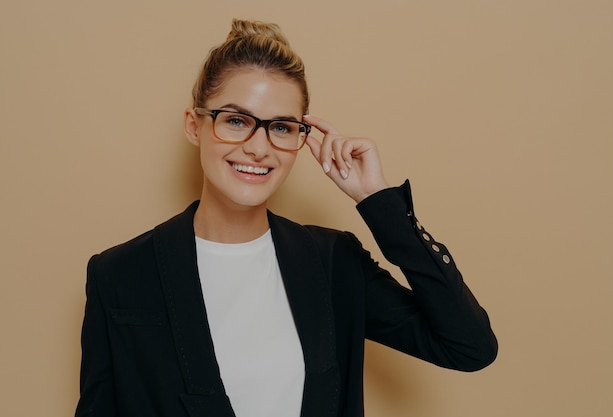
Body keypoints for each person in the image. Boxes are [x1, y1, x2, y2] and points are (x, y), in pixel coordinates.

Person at [75, 18, 497, 417]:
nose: (260, 148)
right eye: (237, 120)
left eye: (280, 127)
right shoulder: (119, 274)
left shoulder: (333, 262)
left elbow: (469, 346)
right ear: (194, 125)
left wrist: (379, 202)